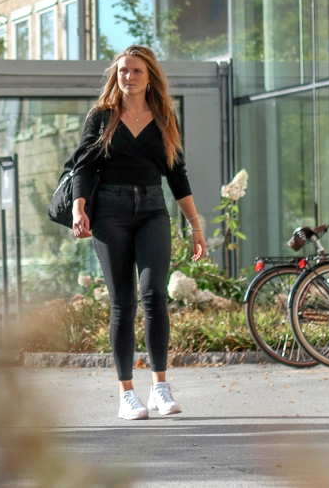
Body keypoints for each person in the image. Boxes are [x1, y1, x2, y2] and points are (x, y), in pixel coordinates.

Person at [67, 45, 205, 420]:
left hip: (152, 211)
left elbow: (177, 174)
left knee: (154, 294)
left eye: (136, 71)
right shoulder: (101, 117)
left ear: (150, 77)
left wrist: (195, 225)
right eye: (123, 71)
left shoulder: (163, 118)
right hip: (109, 213)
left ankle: (160, 386)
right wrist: (80, 207)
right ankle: (127, 393)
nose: (128, 76)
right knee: (123, 302)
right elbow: (83, 167)